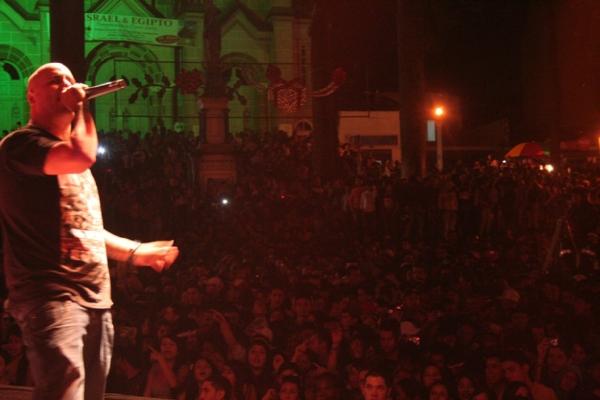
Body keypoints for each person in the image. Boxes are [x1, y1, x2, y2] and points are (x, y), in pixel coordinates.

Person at [0, 62, 179, 399]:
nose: (68, 85)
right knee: (64, 391)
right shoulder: (21, 145)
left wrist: (134, 252)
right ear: (31, 96)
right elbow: (82, 155)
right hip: (51, 295)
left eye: (70, 79)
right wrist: (80, 106)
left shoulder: (73, 165)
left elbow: (85, 228)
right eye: (56, 81)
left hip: (95, 298)